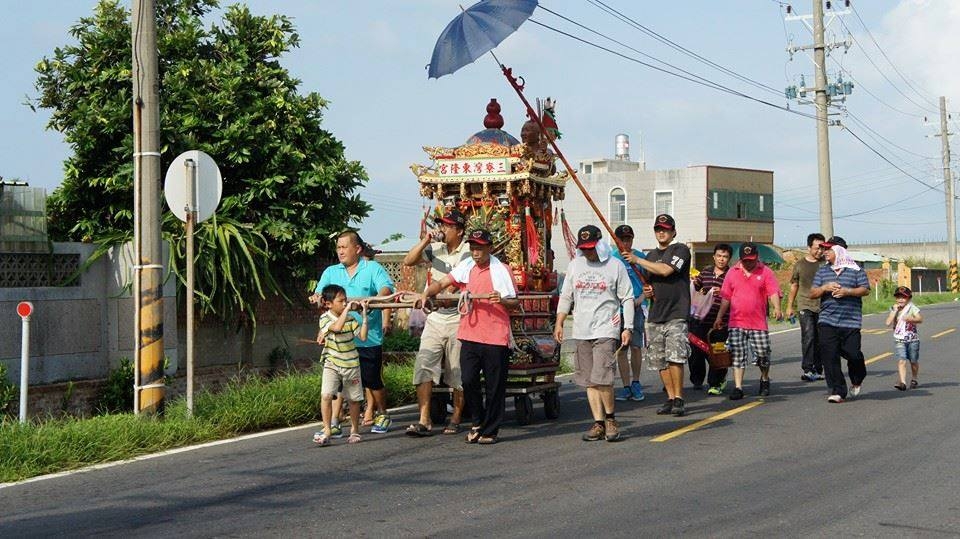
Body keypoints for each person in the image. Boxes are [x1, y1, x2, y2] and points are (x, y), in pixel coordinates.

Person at [421, 229, 518, 445]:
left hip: (495, 336)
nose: (476, 252)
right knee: (468, 380)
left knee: (494, 386)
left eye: (480, 248)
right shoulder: (466, 267)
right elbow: (444, 282)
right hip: (470, 333)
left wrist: (501, 300)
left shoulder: (502, 271)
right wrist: (428, 292)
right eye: (473, 247)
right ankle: (477, 421)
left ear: (489, 248)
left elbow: (514, 302)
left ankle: (490, 430)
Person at [555, 225, 634, 442]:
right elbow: (566, 296)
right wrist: (559, 322)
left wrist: (628, 327)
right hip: (582, 329)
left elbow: (627, 297)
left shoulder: (614, 265)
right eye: (584, 248)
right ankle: (598, 422)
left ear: (600, 244)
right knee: (590, 379)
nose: (588, 252)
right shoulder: (575, 265)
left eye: (592, 248)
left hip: (606, 328)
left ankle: (610, 419)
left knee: (603, 378)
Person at [314, 230, 395, 432]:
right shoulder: (331, 272)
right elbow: (321, 295)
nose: (340, 251)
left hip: (367, 337)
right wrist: (316, 299)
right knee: (338, 383)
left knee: (371, 379)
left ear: (357, 249)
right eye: (338, 247)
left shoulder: (373, 268)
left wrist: (374, 298)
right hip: (339, 341)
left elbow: (387, 289)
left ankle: (383, 413)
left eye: (344, 247)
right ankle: (333, 423)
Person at [402, 209, 470, 436]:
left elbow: (455, 283)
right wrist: (426, 240)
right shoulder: (435, 248)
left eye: (448, 226)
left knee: (457, 371)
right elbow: (408, 261)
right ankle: (424, 419)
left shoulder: (469, 251)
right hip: (435, 319)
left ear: (459, 231)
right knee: (423, 366)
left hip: (459, 318)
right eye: (442, 224)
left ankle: (457, 417)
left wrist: (442, 295)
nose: (443, 229)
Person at [622, 214, 691, 417]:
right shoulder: (650, 255)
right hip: (655, 314)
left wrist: (637, 259)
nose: (662, 232)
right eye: (658, 229)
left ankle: (679, 397)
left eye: (666, 229)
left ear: (673, 231)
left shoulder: (680, 250)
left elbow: (665, 270)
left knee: (675, 357)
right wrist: (647, 292)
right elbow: (649, 284)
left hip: (676, 313)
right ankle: (670, 397)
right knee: (659, 360)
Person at [713, 243, 783, 400]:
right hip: (736, 322)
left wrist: (777, 308)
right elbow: (726, 298)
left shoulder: (766, 272)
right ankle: (738, 387)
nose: (748, 263)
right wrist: (719, 317)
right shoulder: (732, 272)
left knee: (763, 354)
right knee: (738, 354)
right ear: (740, 259)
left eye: (751, 260)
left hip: (758, 323)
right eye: (745, 260)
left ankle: (764, 379)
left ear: (757, 257)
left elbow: (773, 292)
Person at [810, 236, 870, 403]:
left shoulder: (856, 270)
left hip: (850, 321)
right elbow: (812, 293)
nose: (824, 252)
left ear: (839, 251)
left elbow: (865, 290)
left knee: (853, 354)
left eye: (828, 249)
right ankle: (838, 390)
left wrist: (847, 291)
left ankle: (857, 378)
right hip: (827, 320)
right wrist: (824, 288)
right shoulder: (822, 271)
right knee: (829, 356)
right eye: (824, 249)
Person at [312, 285, 368, 446]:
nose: (345, 303)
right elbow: (336, 327)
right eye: (341, 301)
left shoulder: (351, 319)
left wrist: (364, 317)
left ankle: (354, 430)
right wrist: (348, 310)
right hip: (332, 363)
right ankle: (327, 429)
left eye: (346, 300)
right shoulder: (325, 318)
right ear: (328, 304)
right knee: (326, 395)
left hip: (351, 364)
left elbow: (363, 337)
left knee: (354, 400)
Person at [690, 243, 732, 395]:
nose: (722, 259)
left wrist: (723, 292)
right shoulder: (705, 273)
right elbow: (694, 288)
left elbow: (737, 295)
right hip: (701, 320)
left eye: (725, 257)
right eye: (719, 256)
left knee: (718, 352)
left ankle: (716, 382)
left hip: (721, 322)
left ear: (729, 259)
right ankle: (697, 381)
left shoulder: (732, 275)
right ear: (714, 257)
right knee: (696, 351)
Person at [610, 224, 646, 402]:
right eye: (622, 240)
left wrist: (641, 299)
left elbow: (649, 284)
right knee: (621, 348)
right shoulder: (611, 259)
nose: (626, 242)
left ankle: (636, 382)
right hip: (618, 310)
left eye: (628, 239)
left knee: (636, 346)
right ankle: (625, 386)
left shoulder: (640, 257)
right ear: (616, 241)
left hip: (637, 308)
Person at [786, 233, 826, 382]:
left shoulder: (825, 264)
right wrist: (789, 306)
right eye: (817, 248)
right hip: (805, 305)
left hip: (823, 306)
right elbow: (794, 286)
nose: (820, 251)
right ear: (809, 247)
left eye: (822, 248)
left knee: (821, 338)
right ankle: (808, 369)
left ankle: (818, 368)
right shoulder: (800, 265)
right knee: (808, 336)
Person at [886, 286, 922, 391]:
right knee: (902, 360)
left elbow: (920, 319)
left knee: (913, 360)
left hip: (913, 340)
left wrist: (910, 318)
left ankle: (914, 379)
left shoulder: (912, 308)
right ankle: (902, 382)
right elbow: (888, 322)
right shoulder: (894, 308)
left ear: (909, 298)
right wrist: (894, 312)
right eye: (898, 297)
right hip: (899, 340)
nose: (900, 299)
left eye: (903, 297)